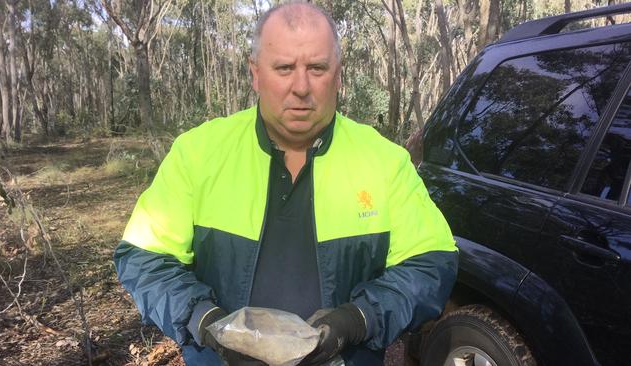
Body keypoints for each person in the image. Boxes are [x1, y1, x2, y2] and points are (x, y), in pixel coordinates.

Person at [114, 2, 458, 365]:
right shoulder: (197, 154)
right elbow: (143, 258)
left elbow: (432, 262)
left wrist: (359, 319)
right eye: (284, 68)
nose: (301, 87)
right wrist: (206, 322)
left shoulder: (385, 161)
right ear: (256, 74)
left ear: (338, 75)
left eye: (317, 68)